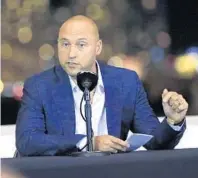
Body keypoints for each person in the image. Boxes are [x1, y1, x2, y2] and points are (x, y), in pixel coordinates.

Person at [16, 15, 188, 156]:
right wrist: (89, 142)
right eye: (65, 44)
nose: (71, 54)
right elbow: (27, 140)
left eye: (81, 45)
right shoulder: (39, 86)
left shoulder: (126, 82)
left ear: (97, 48)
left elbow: (155, 142)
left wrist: (173, 120)